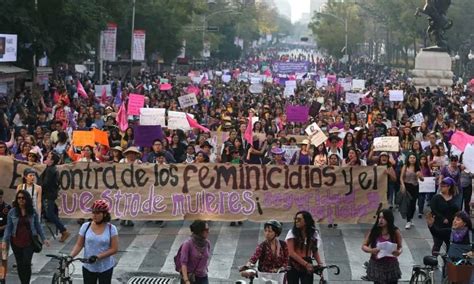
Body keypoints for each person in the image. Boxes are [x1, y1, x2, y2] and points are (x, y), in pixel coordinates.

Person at [2, 190, 49, 284]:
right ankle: (23, 282)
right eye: (19, 198)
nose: (21, 200)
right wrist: (4, 240)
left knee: (26, 263)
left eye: (23, 198)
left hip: (29, 241)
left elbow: (37, 225)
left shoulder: (32, 211)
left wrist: (44, 238)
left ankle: (26, 282)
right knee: (20, 264)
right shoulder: (12, 212)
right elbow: (9, 227)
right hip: (16, 241)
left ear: (27, 199)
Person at [70, 200, 118, 284]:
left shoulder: (111, 228)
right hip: (88, 267)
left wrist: (97, 257)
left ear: (105, 214)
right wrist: (70, 257)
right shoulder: (85, 226)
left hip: (105, 267)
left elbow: (114, 249)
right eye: (93, 213)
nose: (94, 215)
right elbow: (79, 244)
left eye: (98, 213)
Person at [361, 209, 402, 284]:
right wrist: (371, 250)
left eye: (383, 218)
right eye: (379, 218)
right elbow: (364, 246)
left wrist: (398, 252)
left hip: (391, 265)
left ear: (389, 219)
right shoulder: (374, 231)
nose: (381, 220)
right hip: (377, 265)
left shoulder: (395, 231)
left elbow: (400, 247)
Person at [286, 211, 324, 284]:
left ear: (306, 221)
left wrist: (320, 264)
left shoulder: (313, 233)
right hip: (293, 264)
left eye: (299, 219)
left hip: (308, 262)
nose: (296, 221)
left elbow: (314, 250)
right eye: (295, 219)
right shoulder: (292, 233)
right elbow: (291, 253)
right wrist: (306, 264)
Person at [40, 151, 70, 242]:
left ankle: (63, 230)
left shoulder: (50, 170)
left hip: (48, 195)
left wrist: (38, 186)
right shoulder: (51, 168)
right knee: (50, 213)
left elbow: (46, 183)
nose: (46, 158)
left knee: (50, 214)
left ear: (52, 161)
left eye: (48, 158)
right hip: (50, 194)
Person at [429, 177, 459, 256]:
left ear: (449, 187)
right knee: (437, 244)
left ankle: (447, 262)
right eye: (441, 186)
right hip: (438, 224)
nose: (441, 187)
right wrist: (442, 218)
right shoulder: (436, 197)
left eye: (443, 186)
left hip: (450, 225)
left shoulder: (455, 197)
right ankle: (433, 261)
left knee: (450, 244)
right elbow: (433, 209)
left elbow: (457, 210)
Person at [400, 153, 423, 229]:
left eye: (414, 158)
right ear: (408, 159)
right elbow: (401, 177)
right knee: (408, 204)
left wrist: (419, 176)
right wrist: (403, 185)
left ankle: (411, 218)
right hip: (407, 186)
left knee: (413, 204)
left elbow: (422, 179)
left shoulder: (418, 167)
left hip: (415, 187)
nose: (412, 159)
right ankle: (408, 220)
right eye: (411, 158)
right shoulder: (405, 166)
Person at [0, 190, 11, 284]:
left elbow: (10, 224)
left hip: (4, 237)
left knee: (4, 258)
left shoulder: (7, 208)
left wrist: (1, 227)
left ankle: (2, 278)